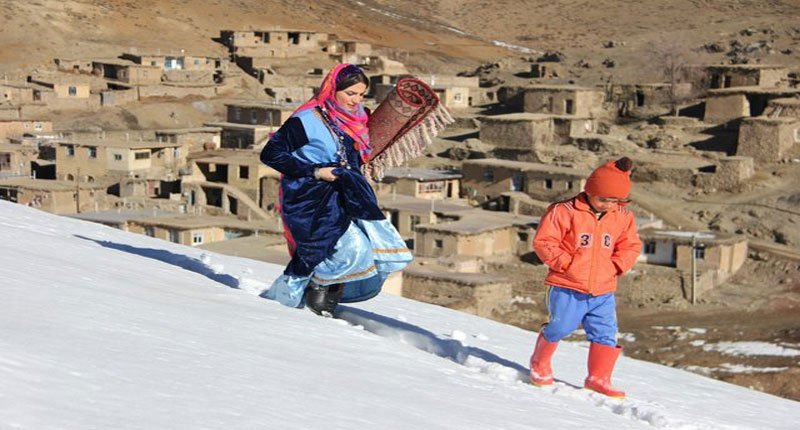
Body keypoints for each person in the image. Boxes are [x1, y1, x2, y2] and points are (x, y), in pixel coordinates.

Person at [260, 64, 412, 317]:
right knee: (341, 247)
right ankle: (305, 297)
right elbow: (271, 154)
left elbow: (352, 158)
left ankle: (318, 297)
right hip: (308, 197)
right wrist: (316, 172)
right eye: (350, 93)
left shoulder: (356, 120)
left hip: (342, 195)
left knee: (361, 247)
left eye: (361, 95)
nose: (356, 100)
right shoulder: (306, 120)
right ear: (333, 89)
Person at [529, 157, 642, 398]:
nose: (607, 205)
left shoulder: (622, 216)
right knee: (561, 327)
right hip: (567, 285)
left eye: (614, 200)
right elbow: (544, 242)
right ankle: (540, 364)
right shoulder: (564, 211)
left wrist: (616, 266)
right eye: (602, 199)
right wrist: (565, 263)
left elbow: (630, 245)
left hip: (603, 290)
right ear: (589, 191)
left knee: (606, 332)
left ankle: (598, 378)